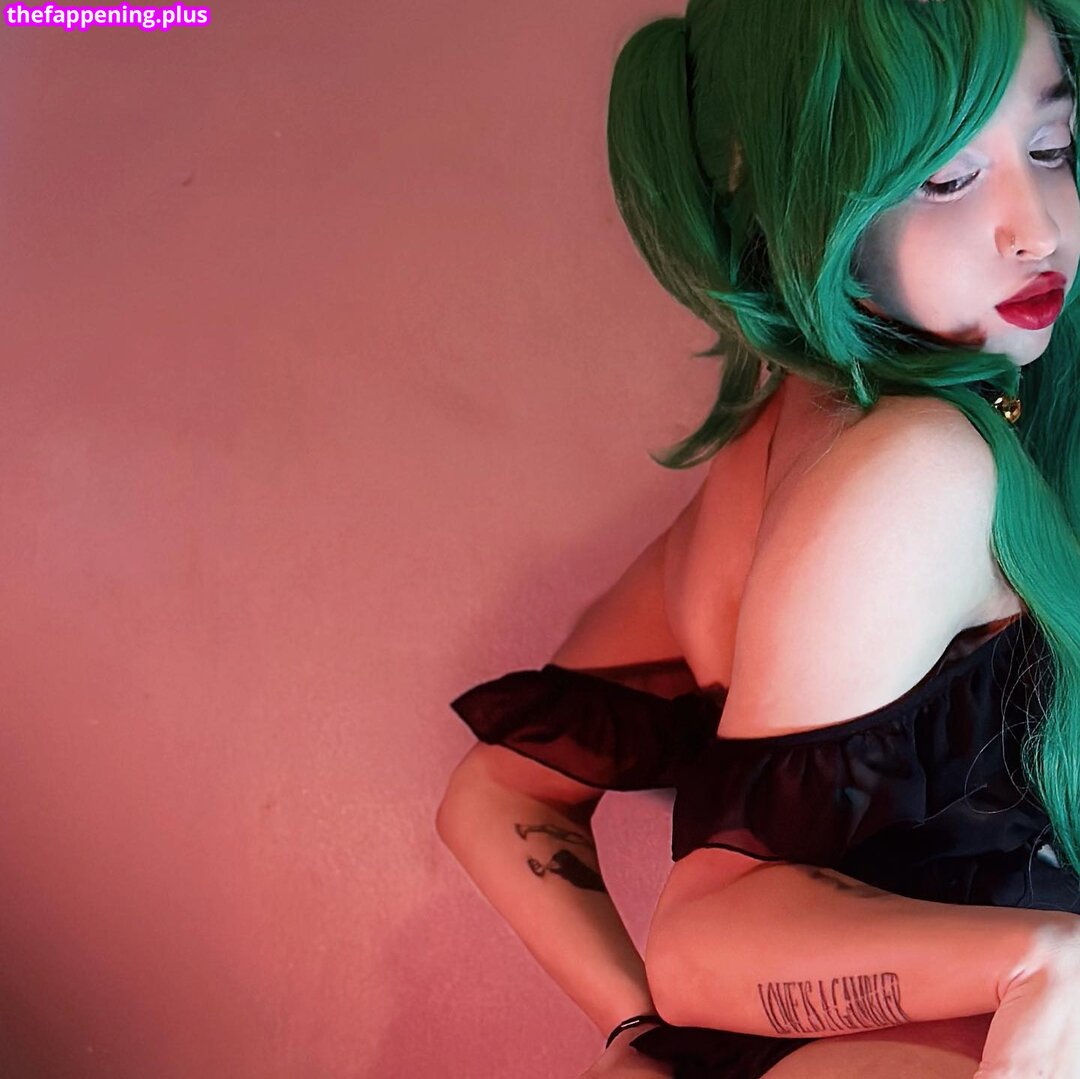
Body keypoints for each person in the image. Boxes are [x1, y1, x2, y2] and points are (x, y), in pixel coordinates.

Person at [437, 1, 1080, 1075]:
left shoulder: (782, 444)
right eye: (948, 177)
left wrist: (635, 1037)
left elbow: (496, 791)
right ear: (809, 202)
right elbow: (702, 938)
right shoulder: (915, 469)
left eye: (1052, 147)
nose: (1037, 227)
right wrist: (1043, 964)